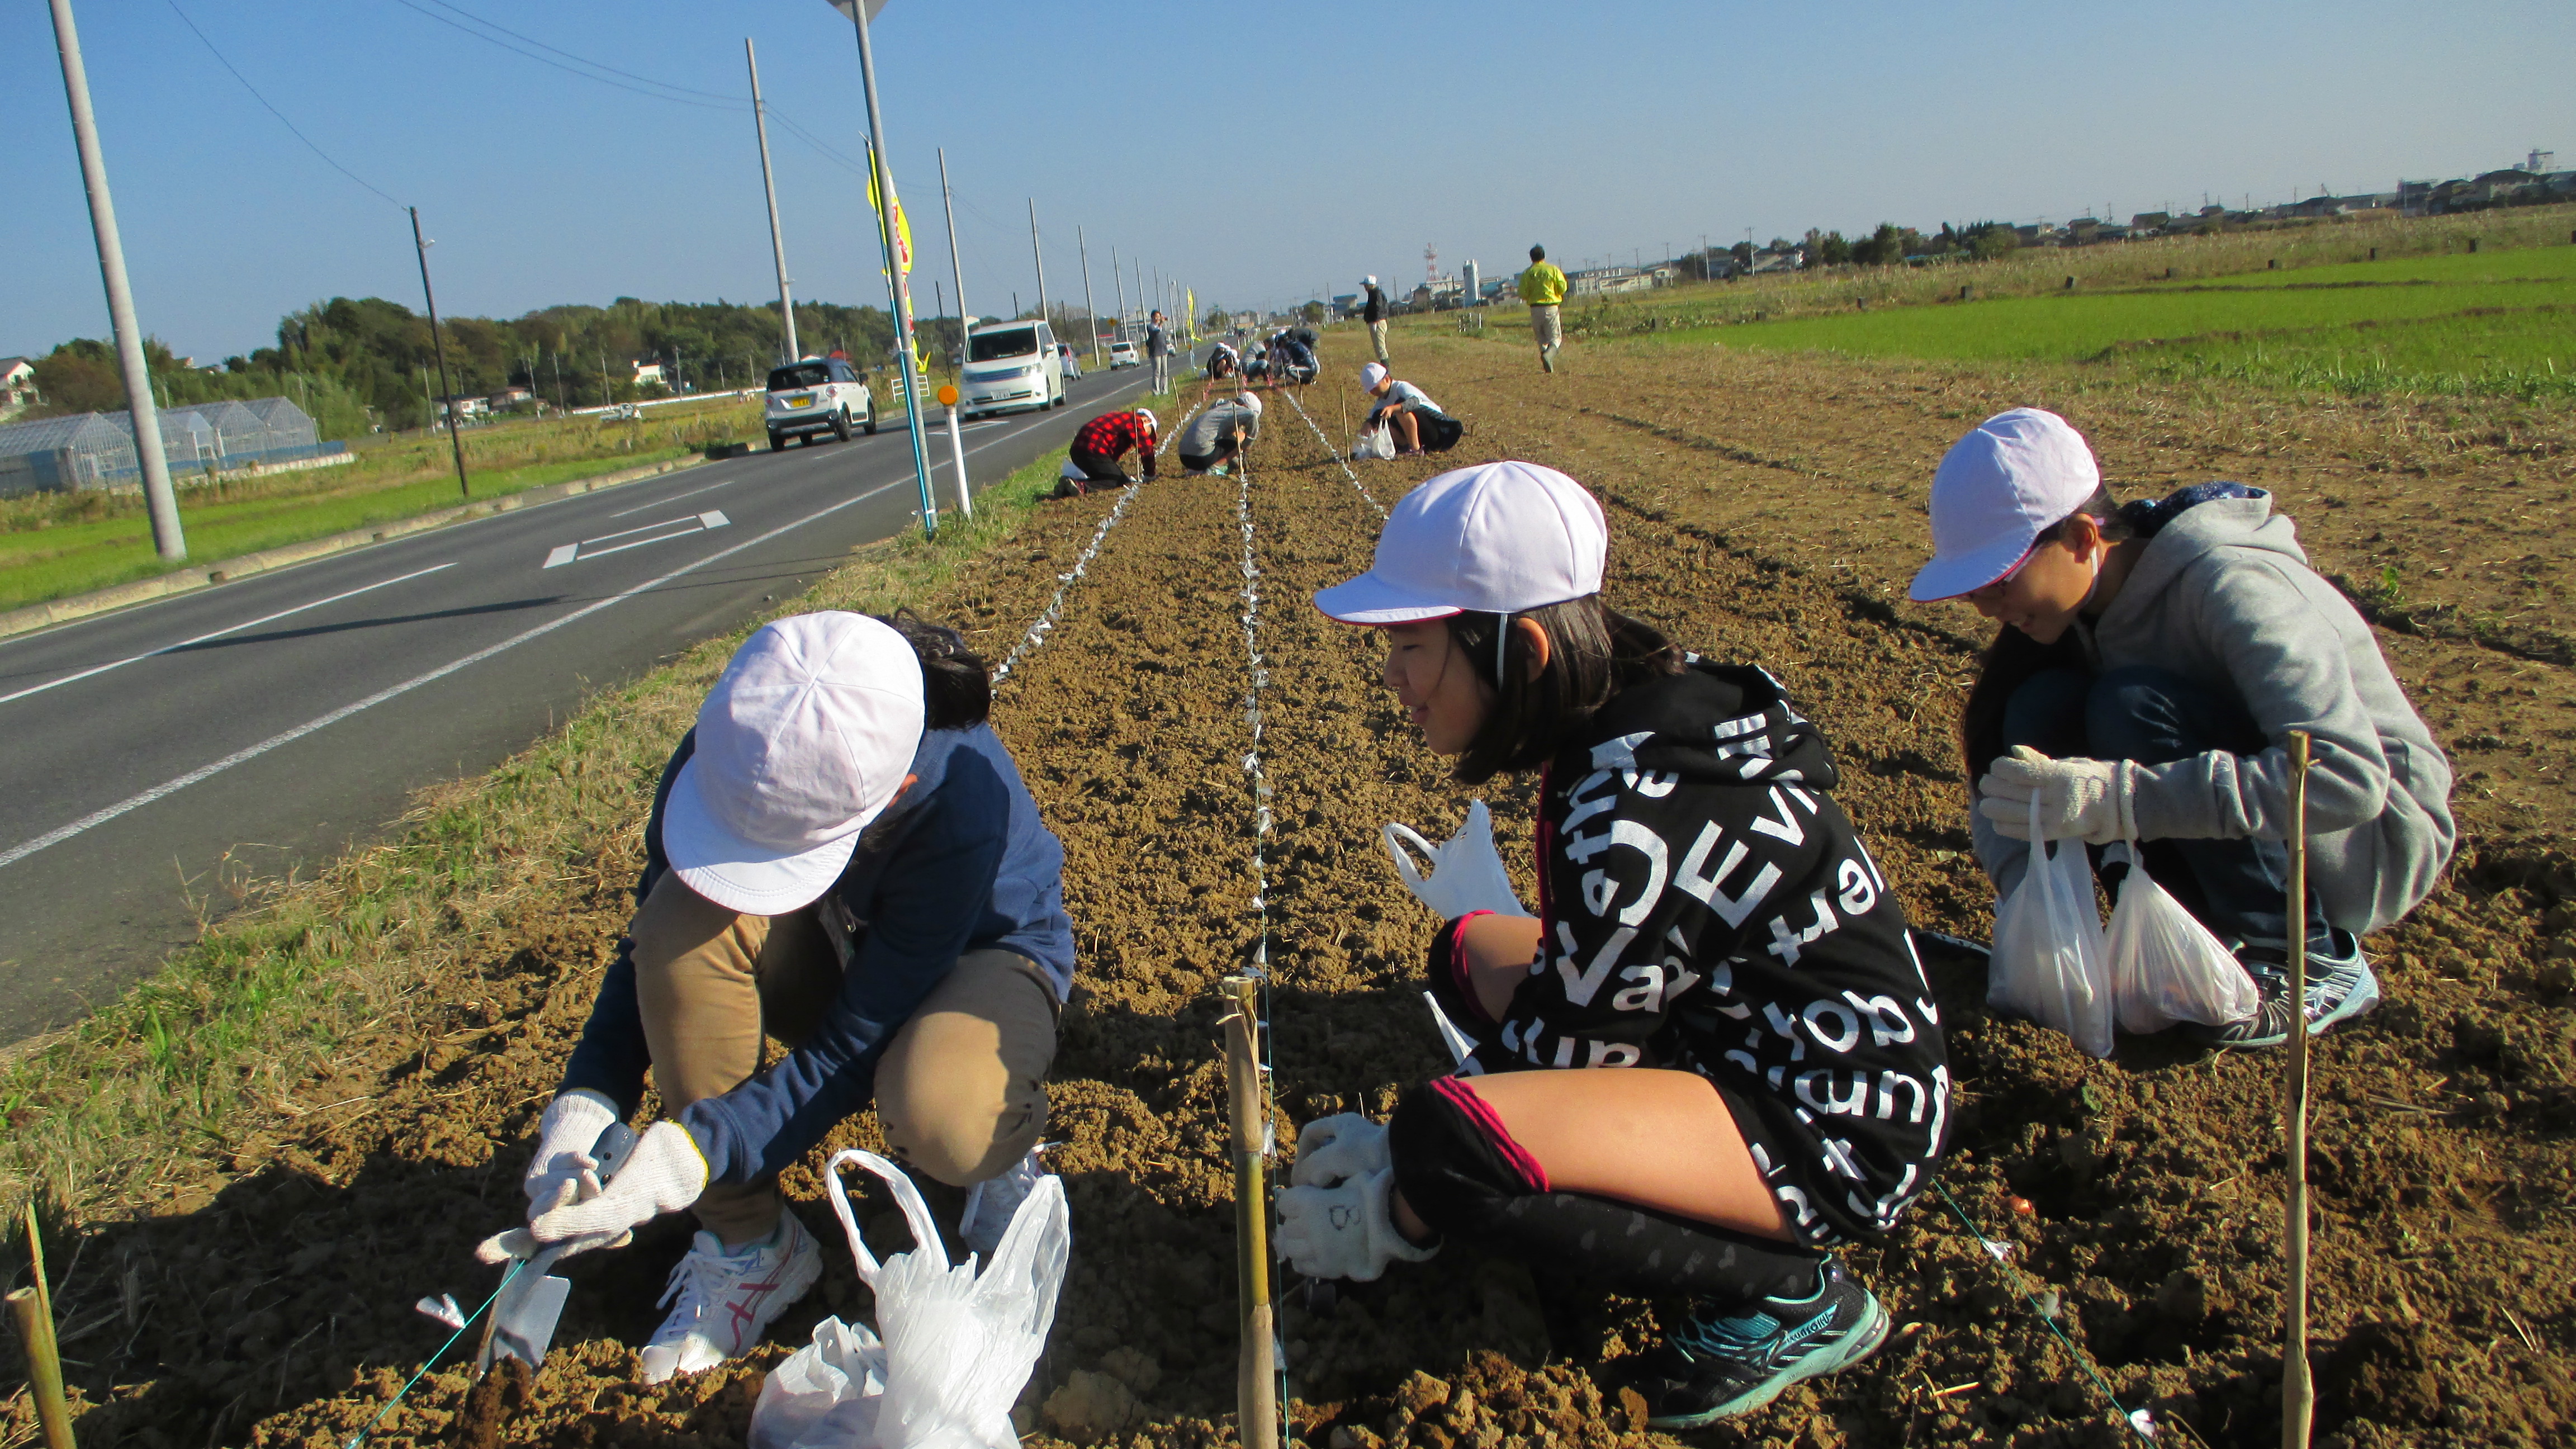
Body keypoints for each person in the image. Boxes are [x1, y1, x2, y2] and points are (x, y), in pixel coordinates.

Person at [1278, 462, 1948, 1427]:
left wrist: (1392, 1205)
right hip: (1743, 1037)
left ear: (1524, 649)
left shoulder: (1628, 806)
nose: (1392, 679)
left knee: (1450, 1143)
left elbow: (1557, 1057)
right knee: (1468, 951)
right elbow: (1578, 1010)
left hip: (1834, 1122)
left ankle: (1789, 1293)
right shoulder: (1640, 715)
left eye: (1413, 646)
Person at [481, 611, 1072, 1383]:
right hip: (840, 942)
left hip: (977, 960)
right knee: (683, 923)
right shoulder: (735, 750)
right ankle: (749, 1244)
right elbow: (654, 945)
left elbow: (856, 1043)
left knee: (943, 1118)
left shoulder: (960, 800)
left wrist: (695, 1151)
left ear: (891, 791)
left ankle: (998, 1149)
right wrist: (588, 1105)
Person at [1912, 408, 2454, 1048]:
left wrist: (2120, 800)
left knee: (2126, 708)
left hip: (2365, 841)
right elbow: (2004, 776)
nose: (1986, 609)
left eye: (1999, 583)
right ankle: (2201, 942)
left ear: (2084, 539)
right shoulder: (2075, 616)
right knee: (2039, 711)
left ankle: (2308, 955)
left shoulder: (2229, 584)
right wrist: (2026, 916)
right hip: (2269, 824)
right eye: (1973, 592)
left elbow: (2347, 777)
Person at [1358, 362, 1460, 457]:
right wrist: (1368, 424)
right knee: (1379, 418)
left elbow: (1414, 402)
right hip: (1421, 436)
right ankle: (1404, 447)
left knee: (1401, 407)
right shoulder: (1381, 402)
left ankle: (1416, 449)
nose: (1373, 392)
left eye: (1375, 388)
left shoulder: (1401, 387)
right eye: (1371, 390)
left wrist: (1393, 408)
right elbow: (1372, 418)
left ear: (1387, 379)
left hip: (1437, 431)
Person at [1059, 406, 1158, 496]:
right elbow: (1146, 449)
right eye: (1150, 432)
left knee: (1104, 477)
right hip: (1094, 448)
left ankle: (1071, 485)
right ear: (1147, 420)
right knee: (1120, 482)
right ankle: (1082, 486)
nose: (1147, 436)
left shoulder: (1121, 417)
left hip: (1078, 449)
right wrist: (1150, 474)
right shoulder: (1135, 421)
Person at [1178, 391, 1262, 475]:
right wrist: (1246, 445)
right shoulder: (1244, 412)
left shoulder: (1222, 408)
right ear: (1245, 406)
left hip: (1184, 457)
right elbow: (1251, 419)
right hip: (1201, 457)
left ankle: (1194, 471)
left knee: (1227, 440)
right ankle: (1213, 469)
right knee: (1237, 439)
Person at [1519, 244, 1568, 373]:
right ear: (1544, 256)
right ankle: (1549, 356)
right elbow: (1563, 288)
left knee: (1541, 339)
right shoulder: (1553, 270)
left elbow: (1523, 293)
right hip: (1551, 307)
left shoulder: (1527, 273)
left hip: (1535, 308)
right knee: (1555, 338)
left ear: (1531, 258)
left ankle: (1546, 361)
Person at [1362, 275, 1391, 366]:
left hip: (1378, 322)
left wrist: (1375, 321)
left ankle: (1386, 371)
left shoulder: (1376, 294)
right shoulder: (1374, 293)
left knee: (1380, 347)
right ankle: (1384, 369)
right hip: (1377, 321)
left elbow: (1378, 308)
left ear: (1371, 285)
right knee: (1378, 348)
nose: (1365, 287)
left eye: (1366, 285)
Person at [1145, 310, 1173, 395]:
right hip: (1155, 353)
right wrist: (1160, 324)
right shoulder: (1151, 327)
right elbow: (1155, 333)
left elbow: (1164, 338)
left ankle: (1165, 390)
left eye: (1159, 317)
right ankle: (1156, 391)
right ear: (1152, 318)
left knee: (1164, 373)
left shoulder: (1161, 328)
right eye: (1156, 317)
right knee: (1157, 372)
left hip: (1164, 352)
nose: (1157, 319)